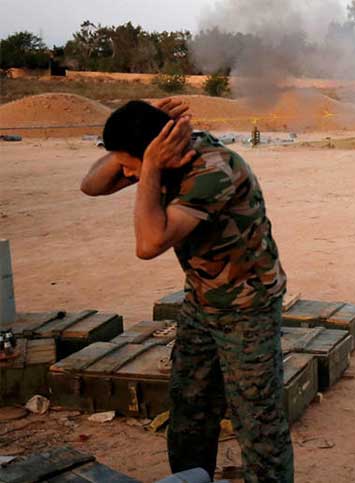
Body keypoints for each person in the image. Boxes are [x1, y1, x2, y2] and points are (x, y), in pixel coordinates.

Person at [81, 99, 293, 483]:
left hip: (247, 308)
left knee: (258, 422)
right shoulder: (161, 158)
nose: (125, 174)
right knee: (190, 410)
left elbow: (149, 243)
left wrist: (147, 166)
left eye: (129, 164)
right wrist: (140, 147)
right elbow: (90, 186)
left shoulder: (212, 170)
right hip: (202, 301)